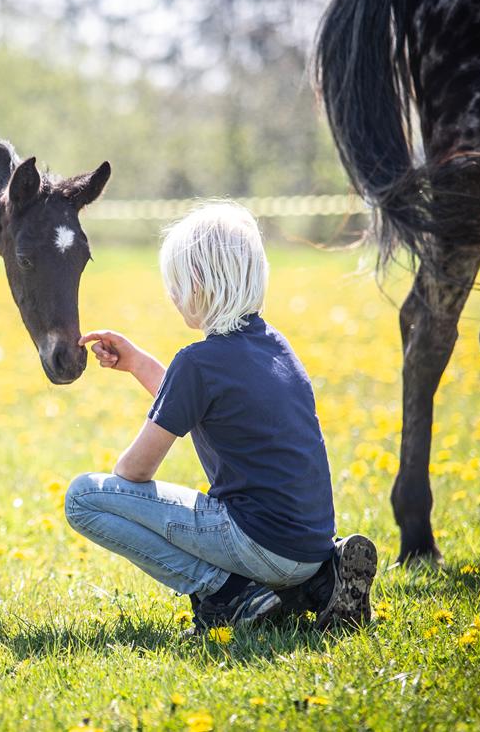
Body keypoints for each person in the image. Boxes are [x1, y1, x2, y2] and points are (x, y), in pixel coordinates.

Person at [65, 201, 377, 632]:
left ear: (196, 284)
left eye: (175, 284)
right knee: (264, 535)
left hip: (257, 543)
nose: (172, 296)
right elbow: (204, 403)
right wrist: (137, 363)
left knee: (83, 497)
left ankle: (226, 593)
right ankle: (318, 583)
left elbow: (134, 472)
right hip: (309, 546)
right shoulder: (275, 346)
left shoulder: (197, 364)